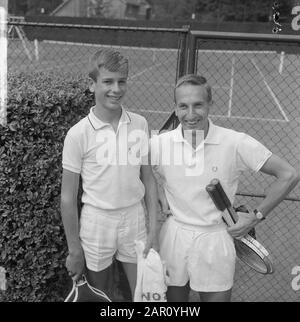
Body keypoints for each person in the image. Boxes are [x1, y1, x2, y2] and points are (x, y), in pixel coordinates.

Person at [151, 74, 299, 302]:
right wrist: (158, 192)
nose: (190, 114)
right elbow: (134, 173)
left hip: (217, 240)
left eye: (198, 105)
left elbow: (289, 174)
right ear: (175, 107)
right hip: (174, 237)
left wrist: (256, 216)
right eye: (183, 106)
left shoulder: (235, 142)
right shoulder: (159, 144)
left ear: (210, 104)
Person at [60, 48, 158, 300]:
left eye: (121, 81)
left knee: (144, 293)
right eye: (107, 81)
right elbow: (68, 198)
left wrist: (153, 226)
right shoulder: (78, 134)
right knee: (99, 294)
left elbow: (148, 178)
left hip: (134, 217)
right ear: (92, 85)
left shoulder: (140, 123)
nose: (116, 88)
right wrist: (74, 250)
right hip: (97, 221)